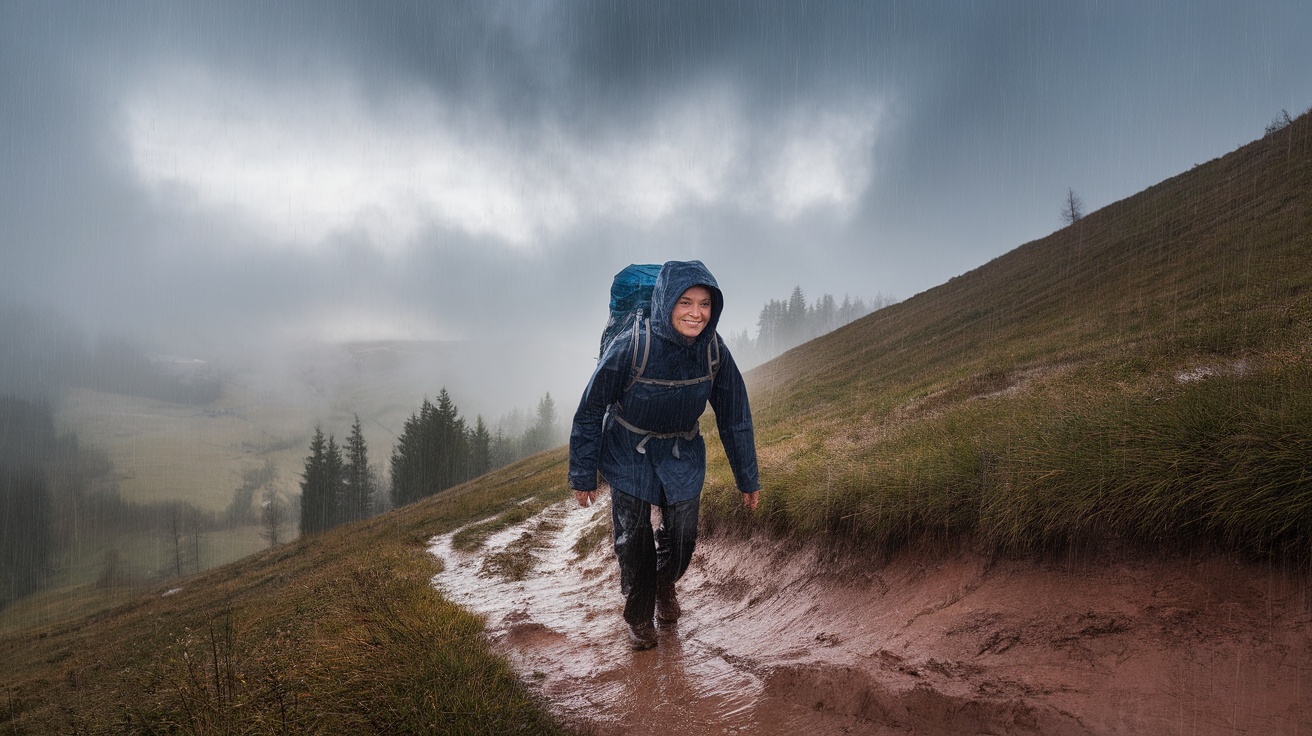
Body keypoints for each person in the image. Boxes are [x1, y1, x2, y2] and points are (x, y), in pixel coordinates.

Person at [569, 260, 761, 650]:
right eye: (686, 302)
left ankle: (663, 584)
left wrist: (748, 478)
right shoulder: (632, 345)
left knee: (684, 539)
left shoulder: (713, 350)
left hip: (682, 453)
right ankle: (639, 618)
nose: (696, 313)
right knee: (633, 540)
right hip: (627, 450)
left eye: (705, 304)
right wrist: (582, 474)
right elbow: (591, 409)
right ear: (666, 303)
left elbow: (734, 414)